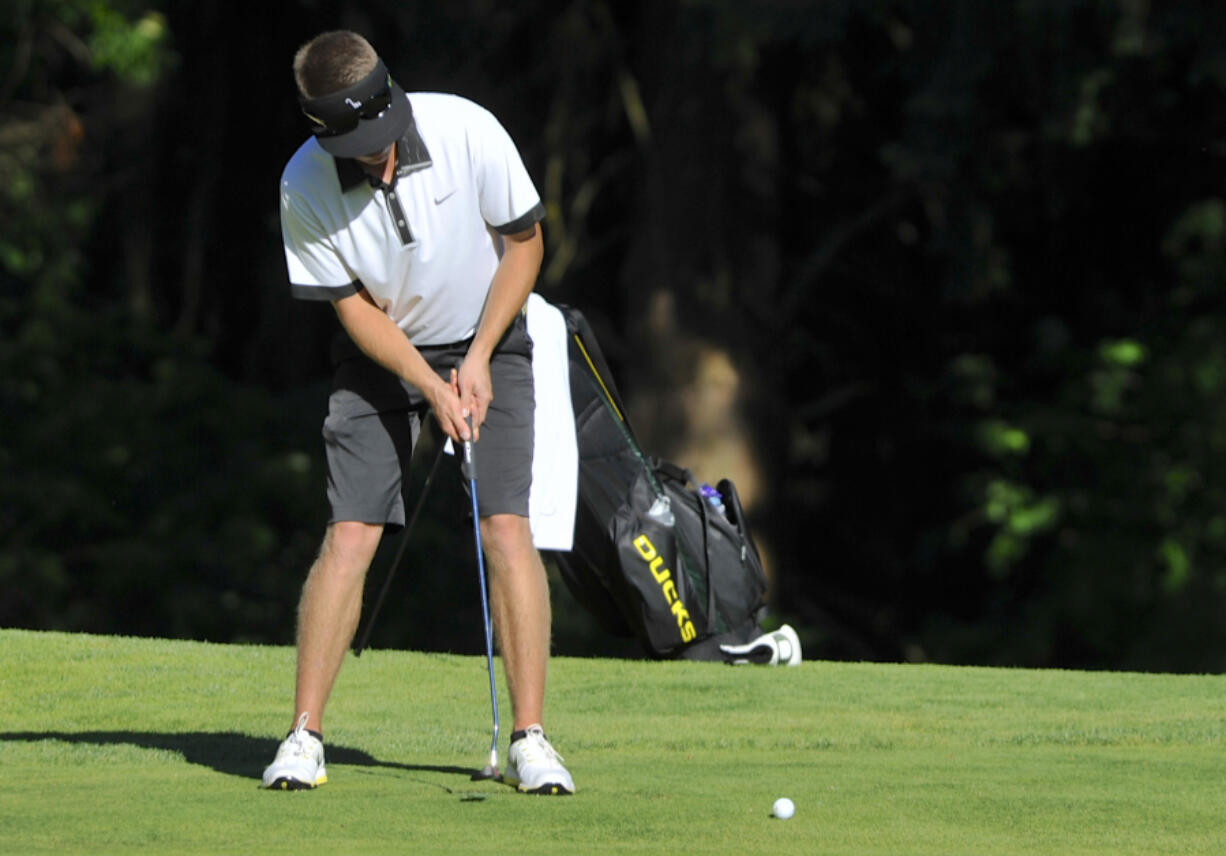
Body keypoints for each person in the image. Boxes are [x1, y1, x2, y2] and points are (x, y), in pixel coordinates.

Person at [261, 30, 574, 795]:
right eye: (362, 146)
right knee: (351, 533)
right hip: (379, 354)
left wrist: (475, 357)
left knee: (506, 526)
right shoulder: (304, 183)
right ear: (322, 134)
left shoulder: (467, 128)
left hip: (489, 335)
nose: (382, 153)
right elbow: (355, 311)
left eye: (386, 132)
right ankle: (303, 736)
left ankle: (531, 739)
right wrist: (429, 386)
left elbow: (525, 246)